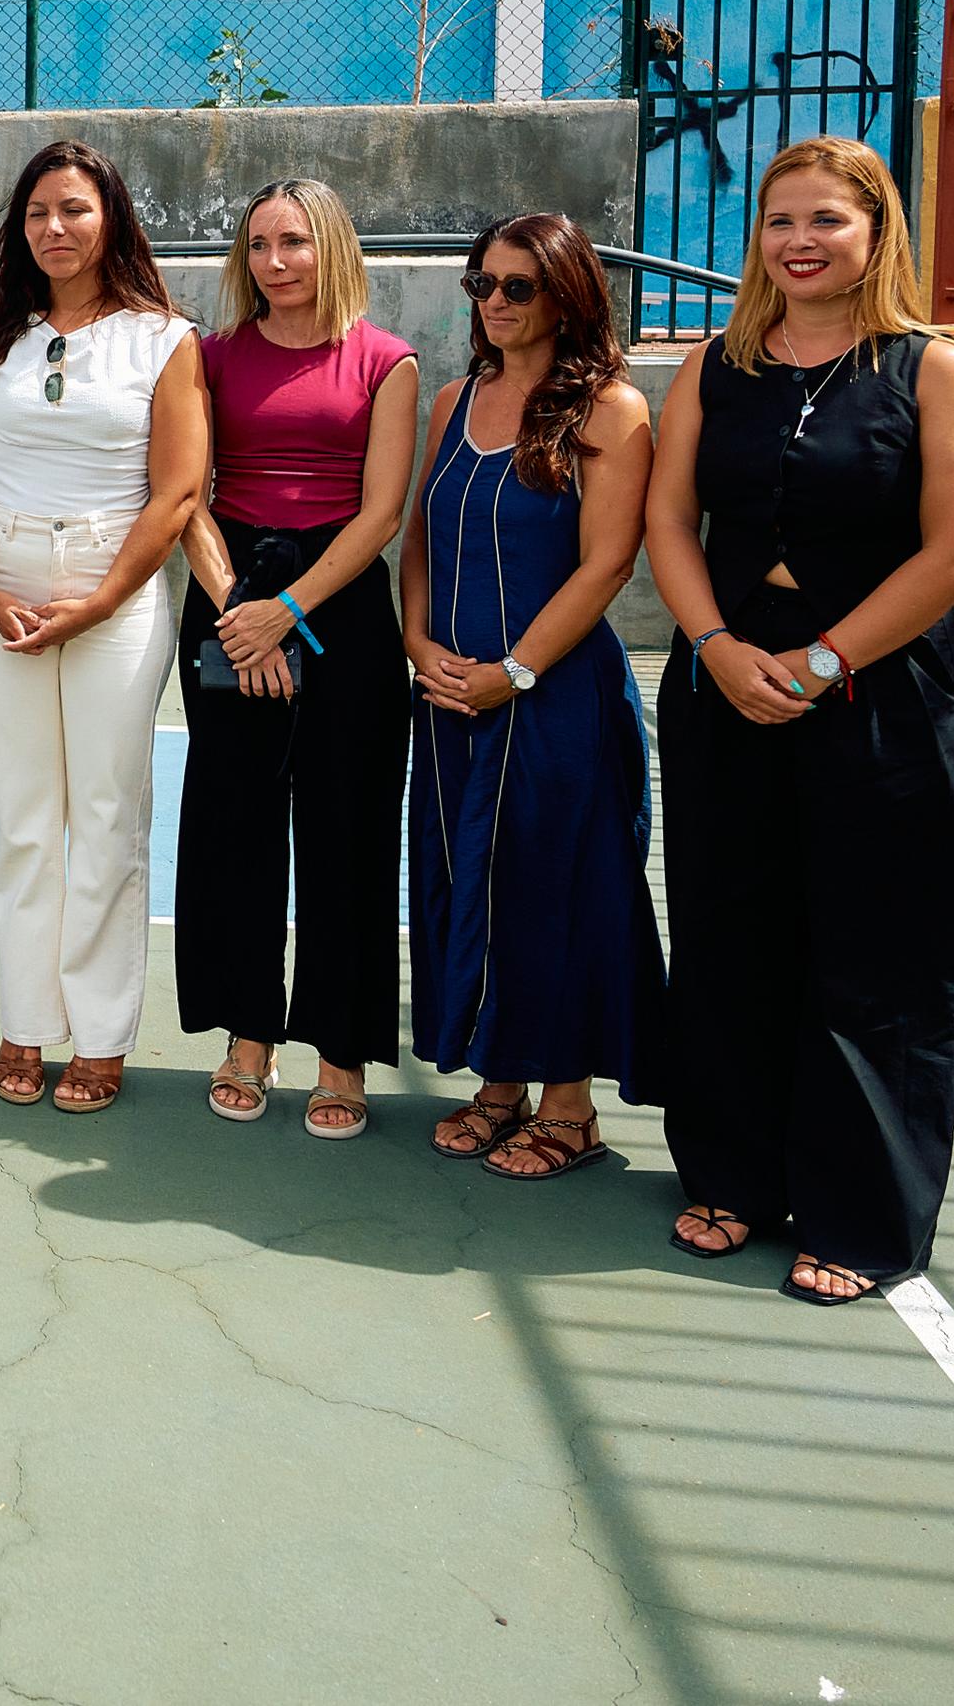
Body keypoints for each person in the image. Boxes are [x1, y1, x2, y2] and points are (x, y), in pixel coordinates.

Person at [649, 135, 954, 1307]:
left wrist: (818, 659)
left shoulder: (934, 369)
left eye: (825, 220)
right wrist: (712, 648)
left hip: (873, 696)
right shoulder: (714, 363)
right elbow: (668, 526)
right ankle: (728, 1176)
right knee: (725, 935)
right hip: (725, 684)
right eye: (777, 221)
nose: (798, 241)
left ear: (874, 231)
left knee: (877, 955)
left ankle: (858, 1211)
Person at [0, 140, 206, 1111]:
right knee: (21, 821)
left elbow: (177, 491)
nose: (54, 229)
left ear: (111, 220)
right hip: (0, 591)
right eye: (37, 212)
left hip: (114, 596)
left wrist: (96, 601)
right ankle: (23, 1020)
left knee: (103, 816)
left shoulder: (162, 340)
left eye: (74, 210)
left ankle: (98, 1035)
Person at [399, 212, 663, 1181]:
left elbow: (606, 563)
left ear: (565, 293)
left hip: (548, 698)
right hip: (449, 692)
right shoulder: (451, 401)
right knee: (467, 882)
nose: (496, 303)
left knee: (559, 890)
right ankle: (497, 1082)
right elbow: (420, 541)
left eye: (518, 285)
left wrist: (512, 671)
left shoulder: (609, 409)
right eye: (482, 285)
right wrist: (418, 643)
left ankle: (568, 1107)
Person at [173, 178, 418, 1139]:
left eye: (296, 242)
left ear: (333, 249)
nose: (276, 261)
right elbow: (185, 492)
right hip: (230, 587)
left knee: (344, 832)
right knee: (234, 825)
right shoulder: (209, 355)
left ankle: (342, 1051)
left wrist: (288, 614)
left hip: (336, 604)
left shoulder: (385, 362)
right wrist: (240, 611)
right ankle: (247, 1036)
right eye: (260, 243)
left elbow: (383, 512)